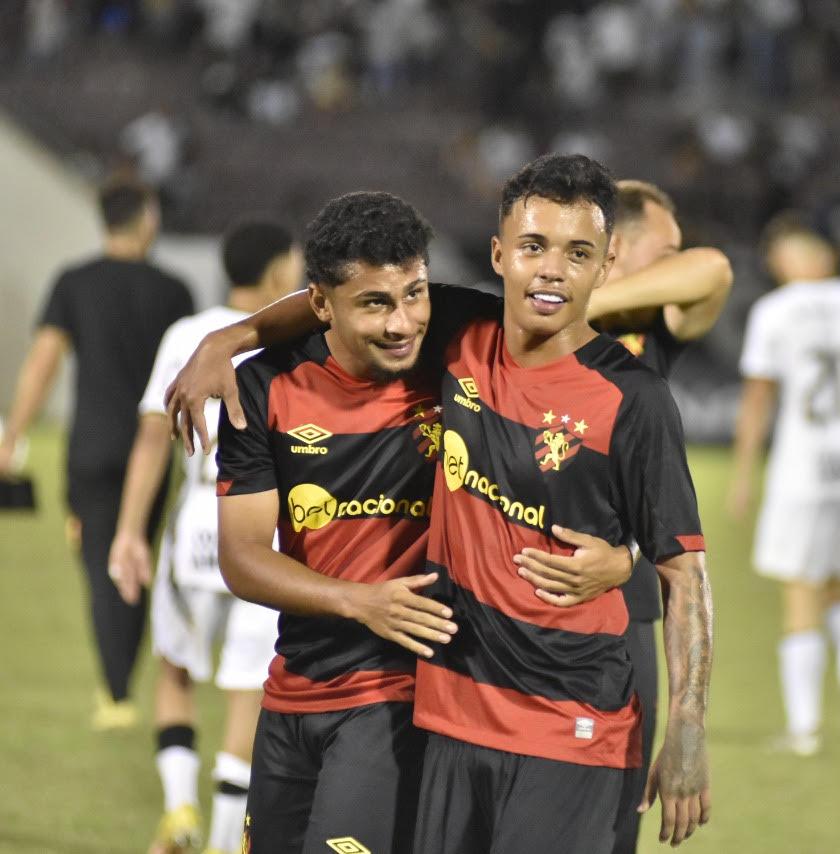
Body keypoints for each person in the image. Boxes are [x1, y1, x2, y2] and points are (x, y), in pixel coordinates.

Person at [212, 190, 632, 853]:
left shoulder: (459, 354)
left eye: (414, 294)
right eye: (376, 304)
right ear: (322, 304)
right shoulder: (264, 387)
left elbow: (581, 440)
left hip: (401, 700)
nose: (404, 322)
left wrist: (627, 553)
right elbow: (239, 554)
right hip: (291, 690)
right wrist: (357, 601)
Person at [411, 153, 712, 853]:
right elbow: (342, 296)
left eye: (578, 253)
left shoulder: (632, 397)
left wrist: (689, 726)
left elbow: (685, 571)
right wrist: (232, 339)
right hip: (452, 712)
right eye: (533, 247)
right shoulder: (453, 332)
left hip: (572, 725)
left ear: (607, 266)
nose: (552, 269)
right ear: (499, 254)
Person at [107, 219, 302, 854]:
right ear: (276, 271)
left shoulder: (187, 335)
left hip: (193, 523)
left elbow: (149, 439)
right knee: (248, 692)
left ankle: (179, 809)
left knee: (175, 672)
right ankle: (221, 842)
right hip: (258, 528)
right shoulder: (292, 337)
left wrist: (130, 532)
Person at [0, 177, 193, 728]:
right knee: (136, 553)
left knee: (100, 559)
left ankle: (114, 691)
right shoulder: (173, 290)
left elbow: (43, 361)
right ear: (147, 219)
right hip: (153, 448)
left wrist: (13, 433)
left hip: (89, 446)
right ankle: (123, 682)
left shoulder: (74, 282)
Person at [586, 178, 733, 854]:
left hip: (629, 602)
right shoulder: (520, 326)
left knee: (618, 813)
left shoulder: (646, 327)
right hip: (517, 601)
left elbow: (714, 270)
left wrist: (580, 306)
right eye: (664, 248)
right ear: (616, 244)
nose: (679, 261)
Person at [727, 213, 840, 756]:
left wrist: (743, 475)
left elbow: (759, 401)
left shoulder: (775, 311)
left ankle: (803, 730)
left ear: (801, 257)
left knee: (799, 591)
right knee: (837, 584)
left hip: (803, 469)